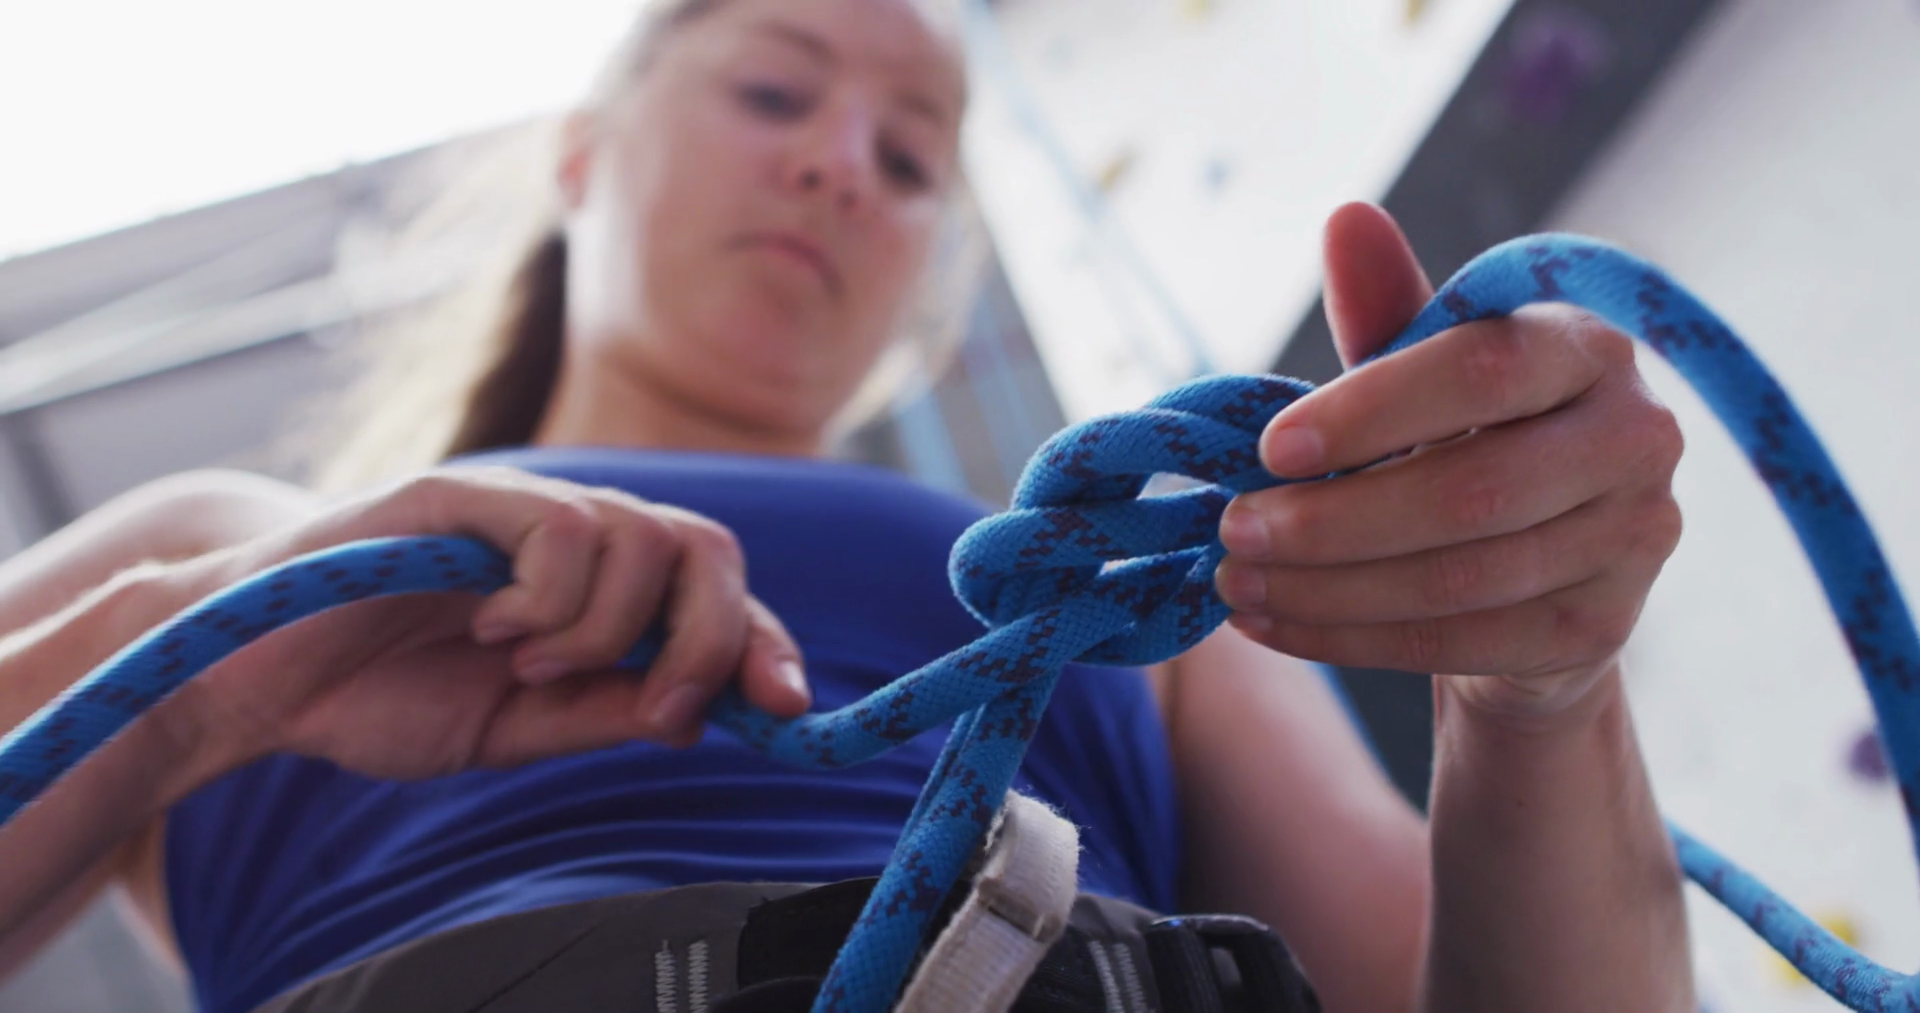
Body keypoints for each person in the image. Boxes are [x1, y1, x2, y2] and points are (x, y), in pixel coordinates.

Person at [0, 0, 1693, 1009]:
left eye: (907, 161)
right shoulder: (216, 547)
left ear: (925, 293)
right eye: (773, 90)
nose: (837, 164)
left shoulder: (1147, 595)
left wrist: (1537, 685)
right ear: (580, 156)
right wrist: (192, 687)